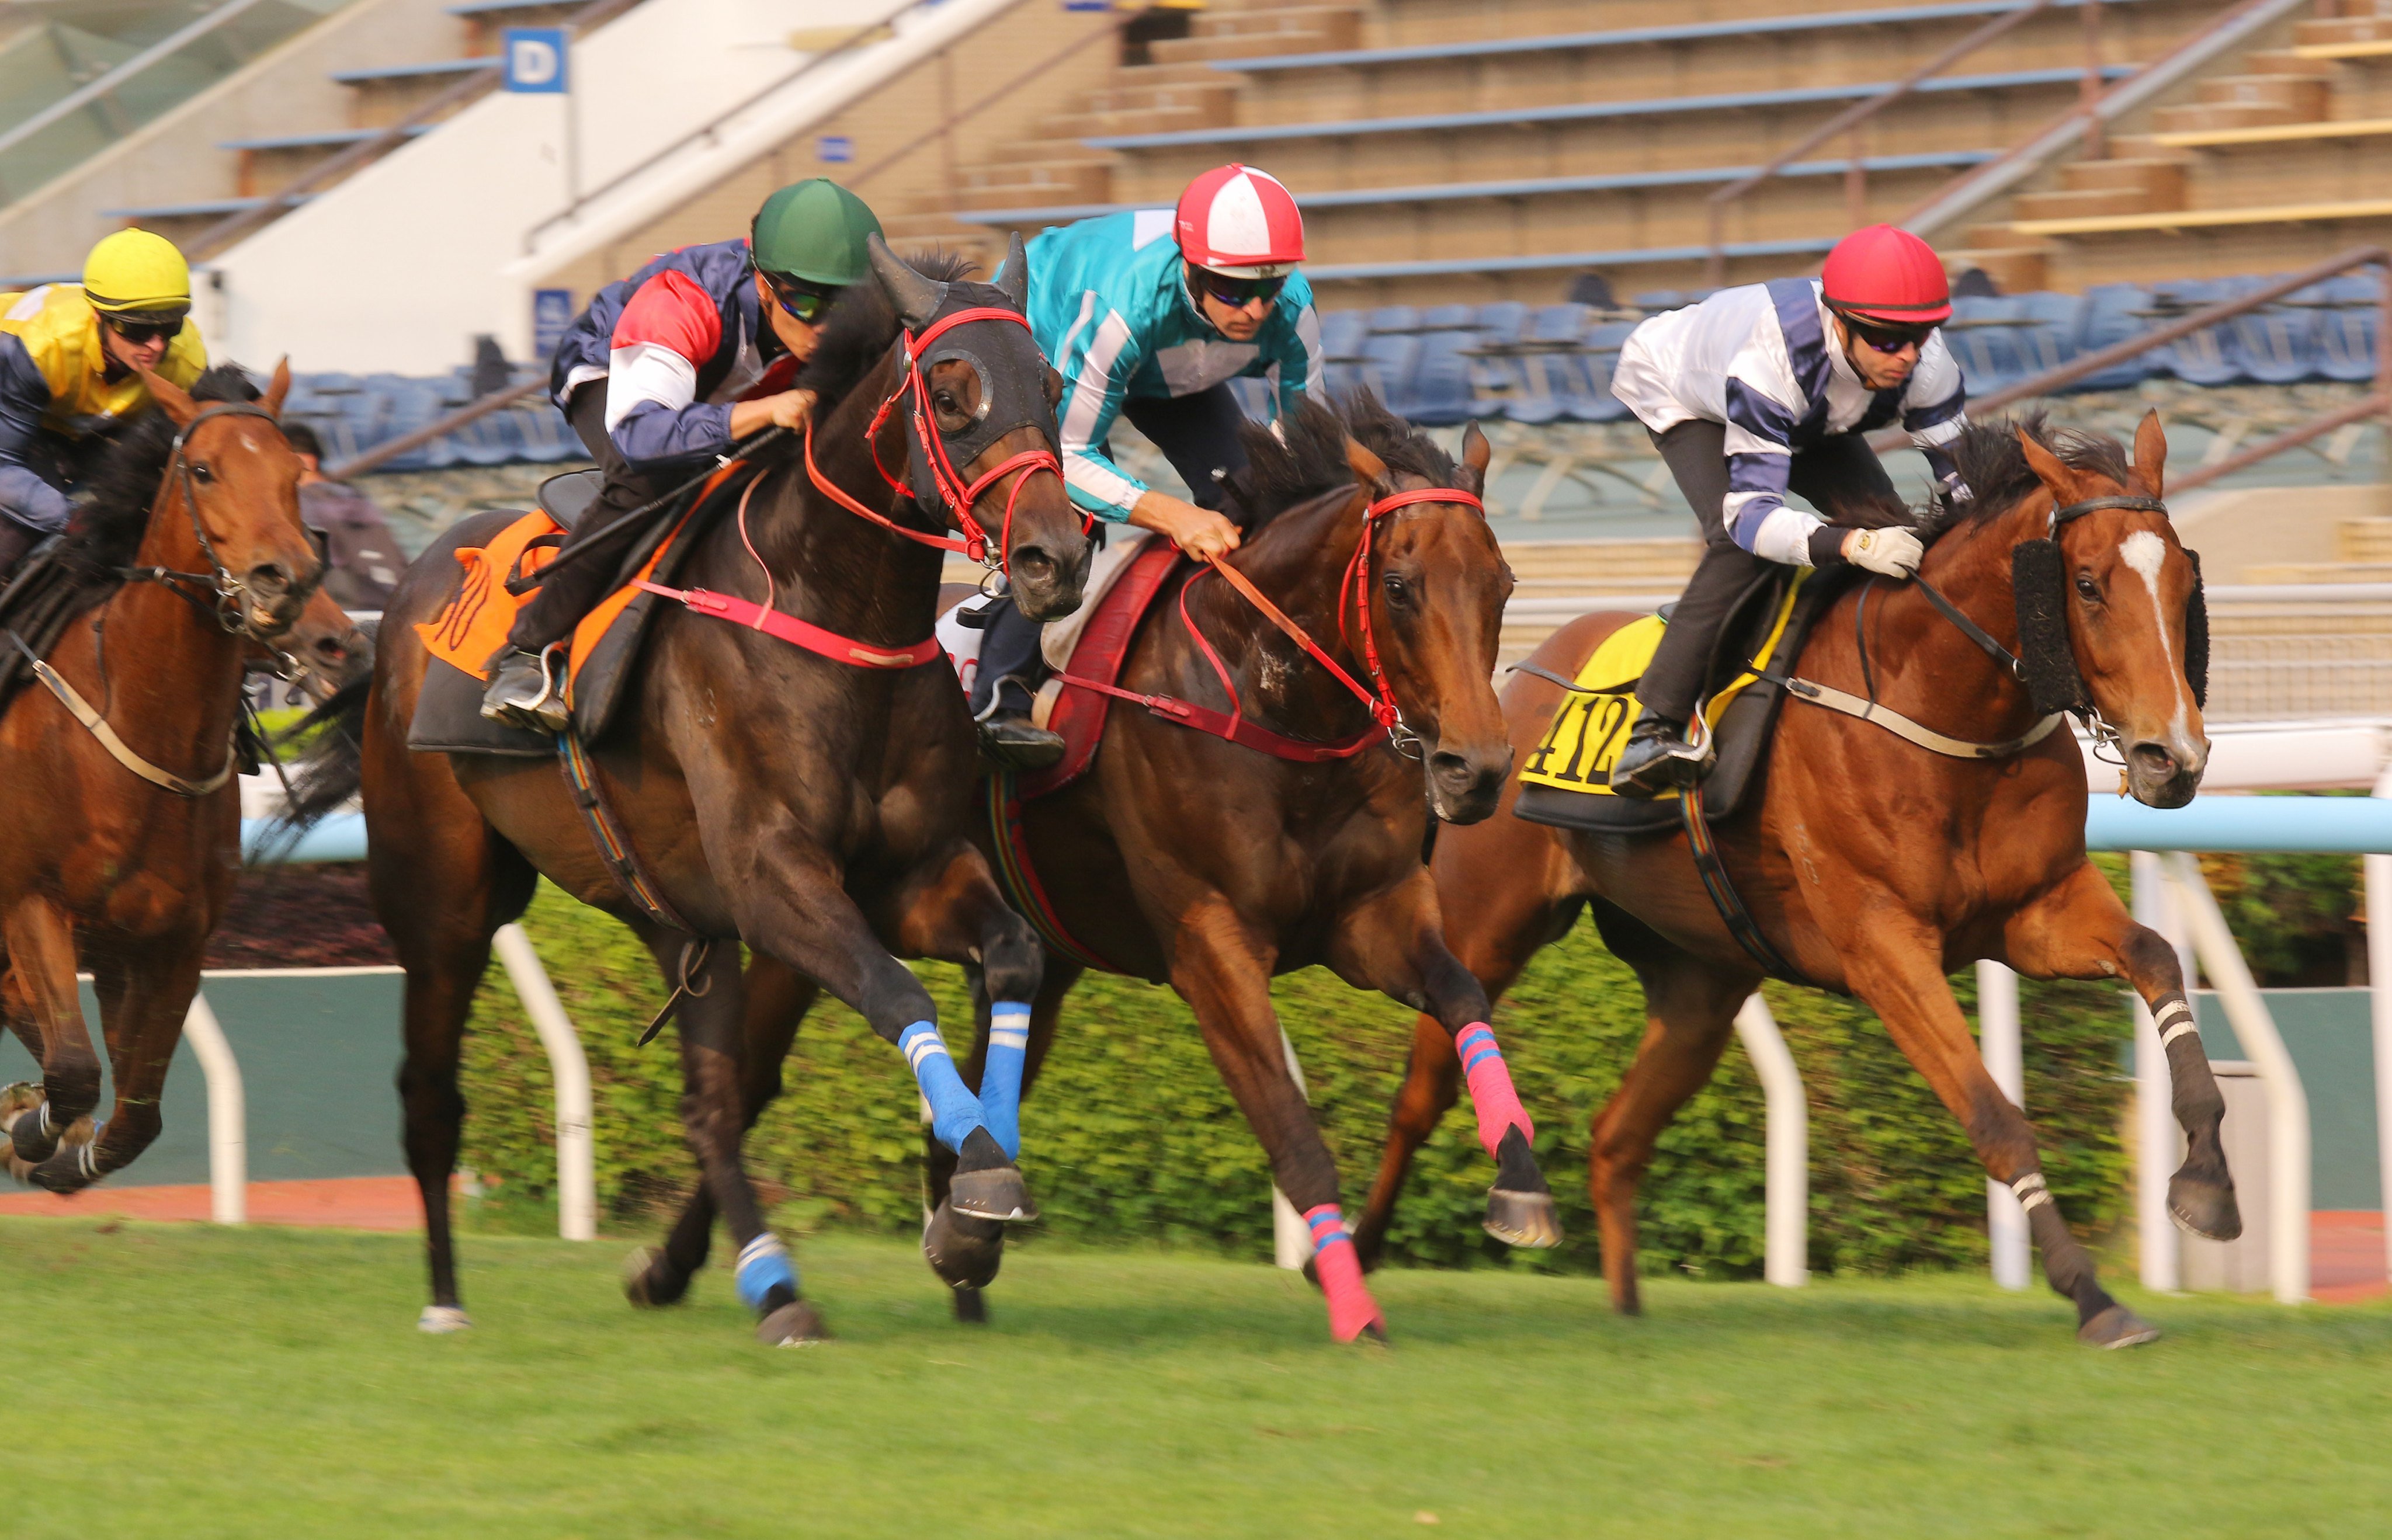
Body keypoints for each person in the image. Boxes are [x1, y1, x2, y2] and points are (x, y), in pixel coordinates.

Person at [480, 178, 886, 731]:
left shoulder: (846, 319)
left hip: (733, 388)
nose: (826, 325)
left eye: (846, 304)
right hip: (615, 374)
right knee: (653, 479)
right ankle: (526, 652)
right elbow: (643, 436)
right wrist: (765, 413)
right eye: (805, 301)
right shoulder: (681, 300)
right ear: (764, 286)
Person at [968, 162, 1324, 768]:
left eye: (1267, 290)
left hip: (1175, 366)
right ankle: (999, 699)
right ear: (1190, 268)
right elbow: (1074, 459)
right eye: (1234, 290)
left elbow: (1307, 442)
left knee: (1253, 502)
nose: (1255, 311)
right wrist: (1170, 514)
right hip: (1056, 340)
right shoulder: (1125, 307)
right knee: (1067, 527)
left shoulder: (1291, 305)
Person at [1603, 224, 1969, 798]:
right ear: (1840, 323)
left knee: (1895, 531)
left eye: (1920, 336)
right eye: (1886, 339)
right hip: (1685, 391)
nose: (1905, 356)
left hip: (1815, 410)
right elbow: (1750, 520)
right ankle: (1653, 728)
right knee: (1740, 550)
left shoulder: (1928, 366)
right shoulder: (1772, 362)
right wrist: (1851, 546)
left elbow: (1965, 492)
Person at [0, 228, 208, 576]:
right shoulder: (41, 348)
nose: (156, 346)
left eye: (170, 328)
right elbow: (4, 463)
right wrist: (72, 518)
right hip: (13, 419)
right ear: (99, 316)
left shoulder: (188, 361)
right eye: (138, 330)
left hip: (77, 426)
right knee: (17, 533)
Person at [283, 422, 402, 610]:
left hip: (345, 613)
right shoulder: (355, 497)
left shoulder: (303, 504)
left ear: (305, 461)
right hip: (394, 607)